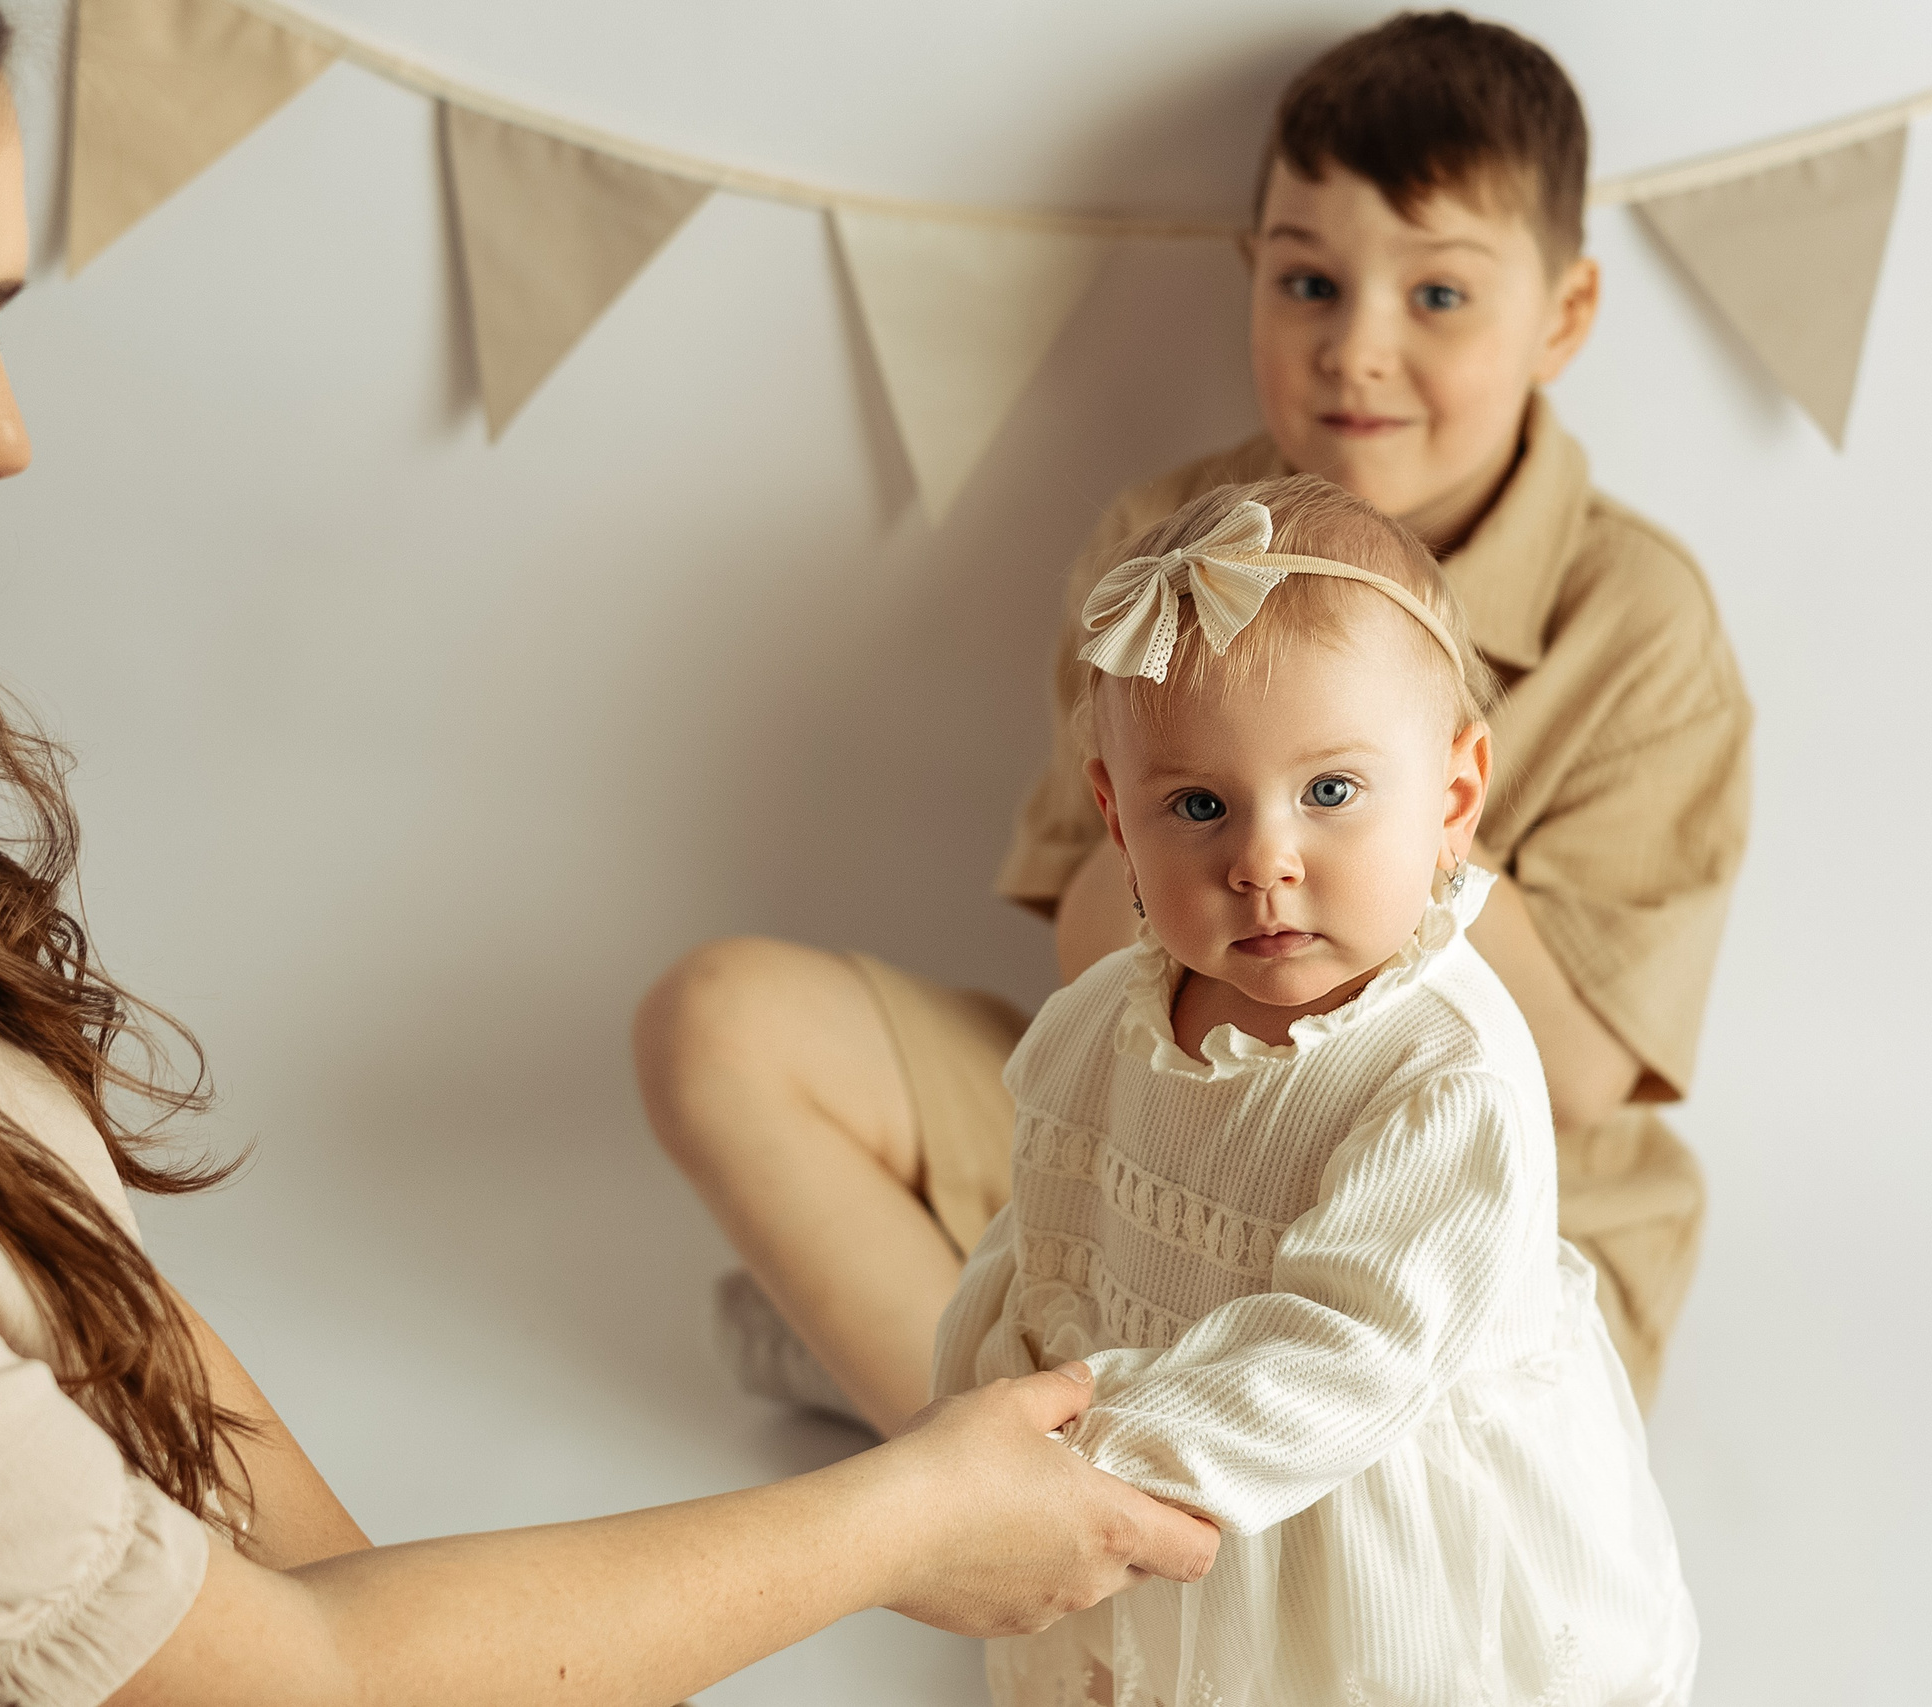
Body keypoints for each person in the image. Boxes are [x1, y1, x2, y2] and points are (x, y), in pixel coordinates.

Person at [0, 3, 1222, 1703]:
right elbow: (281, 1682)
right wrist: (905, 1523)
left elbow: (112, 1314)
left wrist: (423, 1623)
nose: (8, 435)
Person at [639, 10, 1749, 1433]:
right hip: (1166, 1137)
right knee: (718, 1022)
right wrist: (1212, 780)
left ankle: (964, 1391)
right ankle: (977, 1434)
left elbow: (1582, 1069)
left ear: (1565, 316)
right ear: (1252, 277)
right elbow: (1093, 949)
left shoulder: (1639, 620)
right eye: (1308, 281)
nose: (1356, 349)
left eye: (1439, 294)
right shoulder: (1166, 549)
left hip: (1484, 1211)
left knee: (1395, 1471)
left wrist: (1362, 767)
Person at [935, 475, 1697, 1703]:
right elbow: (1040, 1238)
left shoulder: (1444, 1073)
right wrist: (979, 1398)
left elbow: (1350, 1352)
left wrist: (1091, 1460)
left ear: (1452, 799)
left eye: (1329, 792)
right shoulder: (1099, 1025)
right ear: (1116, 822)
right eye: (1196, 805)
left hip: (1355, 1515)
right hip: (1143, 1481)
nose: (1262, 861)